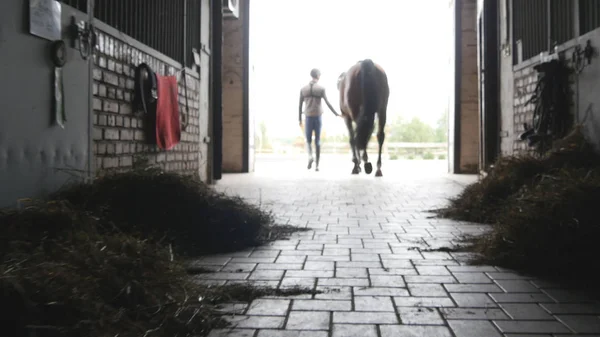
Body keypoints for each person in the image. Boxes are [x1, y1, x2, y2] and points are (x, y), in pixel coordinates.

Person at [298, 68, 340, 171]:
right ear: (318, 76)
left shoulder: (303, 89)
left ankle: (310, 156)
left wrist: (299, 119)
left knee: (308, 140)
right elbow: (328, 103)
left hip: (308, 116)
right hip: (318, 117)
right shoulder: (321, 89)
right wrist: (337, 114)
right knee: (317, 141)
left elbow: (299, 106)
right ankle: (317, 165)